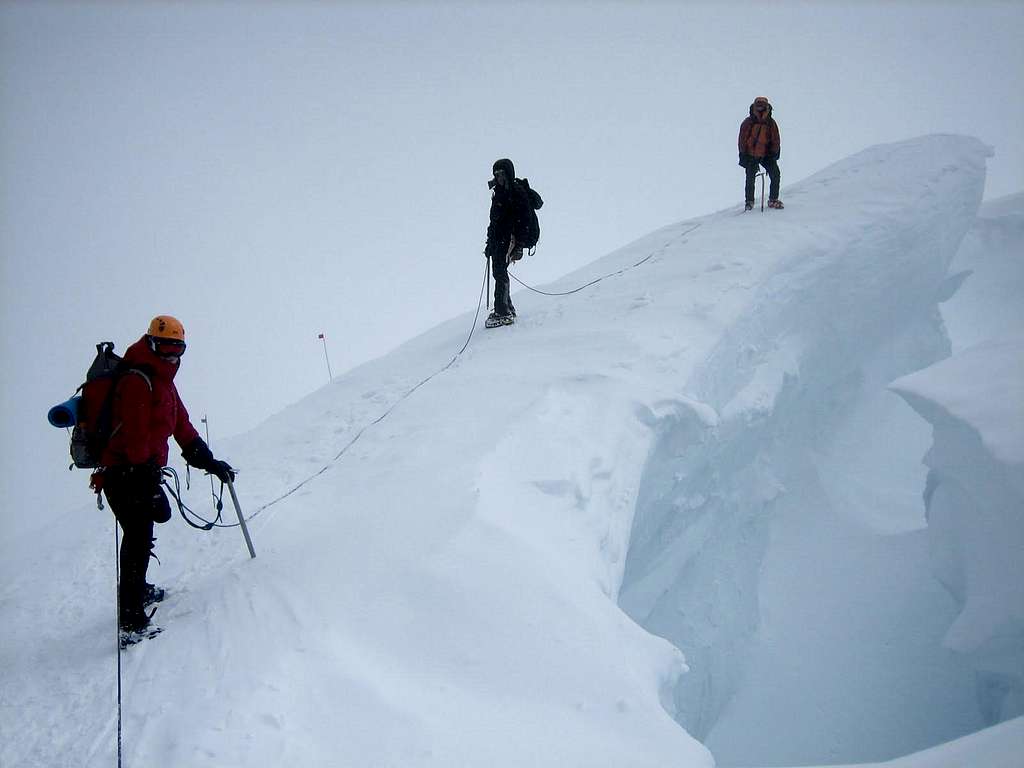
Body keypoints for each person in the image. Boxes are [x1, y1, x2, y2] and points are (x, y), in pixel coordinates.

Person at [100, 315, 234, 638]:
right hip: (124, 473)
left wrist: (210, 462)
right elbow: (134, 438)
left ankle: (139, 592)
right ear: (152, 344)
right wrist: (145, 477)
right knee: (137, 536)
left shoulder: (164, 384)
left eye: (179, 351)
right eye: (167, 349)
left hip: (142, 471)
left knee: (143, 530)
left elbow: (182, 428)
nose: (173, 357)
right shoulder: (137, 380)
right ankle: (131, 622)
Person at [484, 158, 532, 328]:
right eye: (496, 174)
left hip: (510, 238)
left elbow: (524, 220)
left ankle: (503, 311)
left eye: (501, 173)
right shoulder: (498, 191)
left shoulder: (516, 192)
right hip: (499, 238)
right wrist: (489, 242)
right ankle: (506, 307)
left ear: (508, 173)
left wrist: (519, 245)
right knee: (499, 271)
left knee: (499, 271)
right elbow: (494, 221)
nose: (499, 176)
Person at [738, 96, 783, 210]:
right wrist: (743, 154)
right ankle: (749, 202)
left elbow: (775, 139)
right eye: (758, 104)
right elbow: (742, 140)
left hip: (766, 154)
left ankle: (773, 199)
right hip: (751, 154)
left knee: (775, 174)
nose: (760, 106)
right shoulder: (749, 122)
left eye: (762, 104)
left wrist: (774, 153)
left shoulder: (770, 123)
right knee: (750, 177)